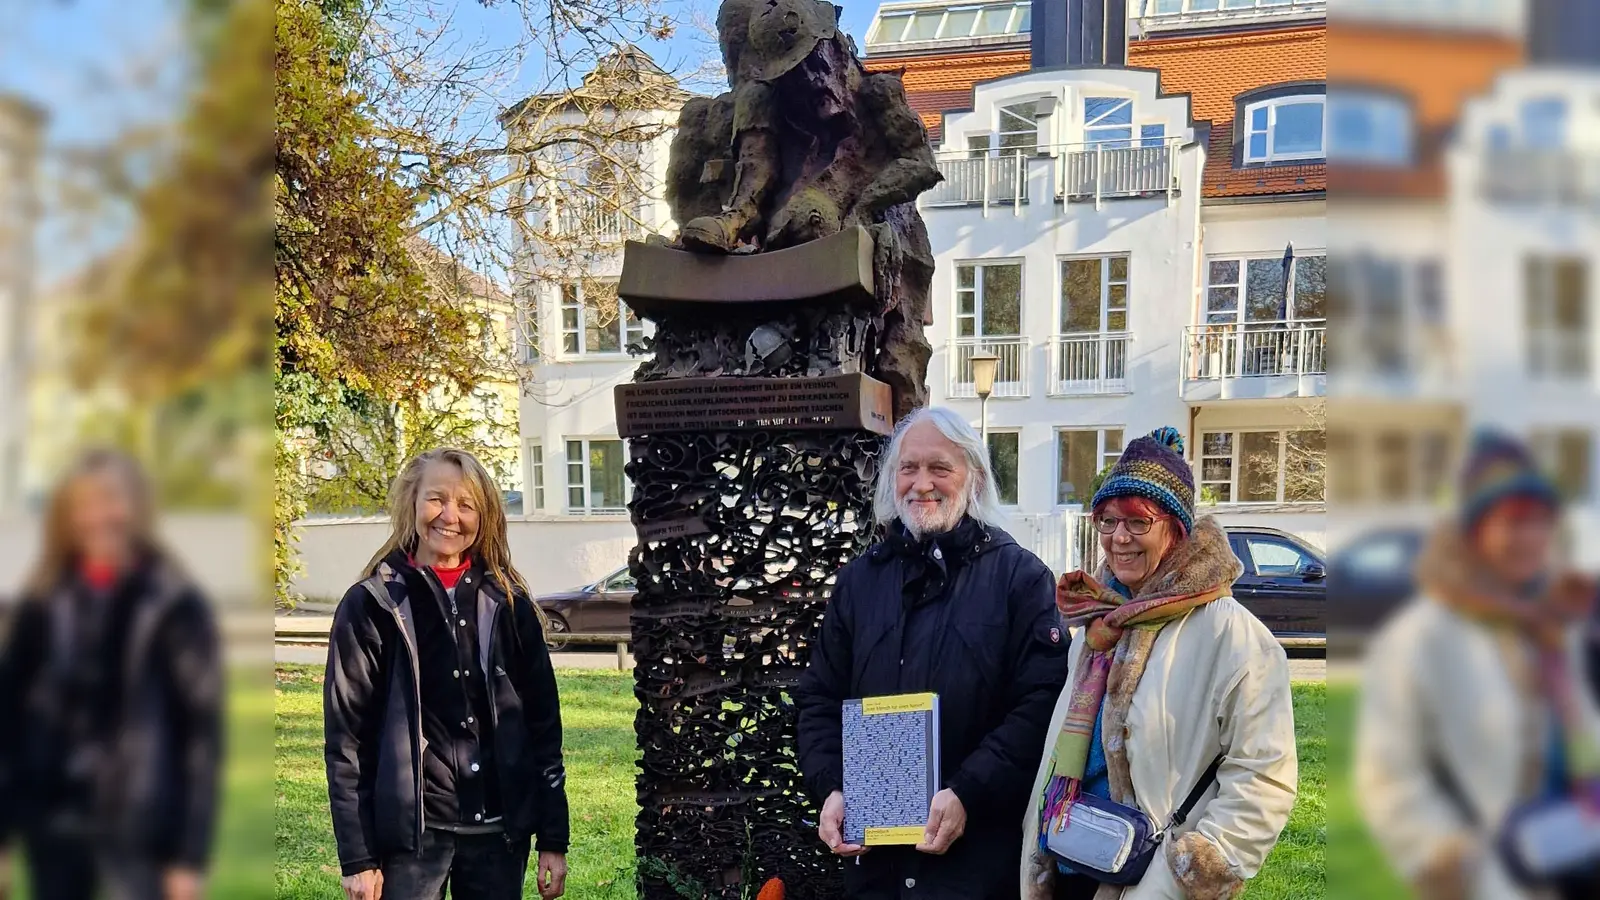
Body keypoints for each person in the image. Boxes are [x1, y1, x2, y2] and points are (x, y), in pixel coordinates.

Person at [795, 406, 1070, 899]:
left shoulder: (1021, 579)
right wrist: (833, 787)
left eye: (940, 467)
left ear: (975, 477)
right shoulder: (860, 581)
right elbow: (819, 697)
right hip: (874, 868)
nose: (922, 483)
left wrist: (969, 793)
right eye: (908, 468)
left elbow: (1041, 705)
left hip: (977, 863)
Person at [1022, 428, 1298, 900]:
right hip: (1069, 865)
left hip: (1150, 881)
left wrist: (1192, 871)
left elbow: (1265, 777)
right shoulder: (1099, 626)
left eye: (1137, 522)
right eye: (1107, 522)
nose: (1118, 538)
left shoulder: (1233, 636)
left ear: (1175, 526)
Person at [1357, 430, 1600, 900]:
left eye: (1539, 521)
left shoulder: (1552, 624)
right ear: (1474, 532)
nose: (1529, 537)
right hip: (1493, 879)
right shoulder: (1420, 638)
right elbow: (1387, 776)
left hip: (1578, 858)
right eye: (1511, 521)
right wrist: (1456, 862)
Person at [324, 448, 569, 900]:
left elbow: (542, 726)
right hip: (412, 838)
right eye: (436, 499)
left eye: (467, 504)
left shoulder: (510, 604)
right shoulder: (372, 605)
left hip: (498, 835)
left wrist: (554, 838)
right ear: (412, 503)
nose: (449, 516)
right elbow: (346, 741)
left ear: (485, 515)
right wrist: (358, 857)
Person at [0, 449, 222, 900]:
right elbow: (9, 721)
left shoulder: (175, 606)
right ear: (65, 516)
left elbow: (200, 736)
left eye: (110, 500)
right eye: (84, 504)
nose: (98, 516)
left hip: (140, 827)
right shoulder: (42, 604)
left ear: (136, 508)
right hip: (53, 822)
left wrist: (188, 856)